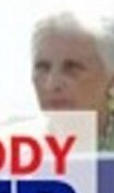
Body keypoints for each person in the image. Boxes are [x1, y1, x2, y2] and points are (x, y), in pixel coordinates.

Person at [30, 10, 114, 150]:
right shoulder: (17, 153)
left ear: (111, 79)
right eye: (42, 68)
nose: (52, 84)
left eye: (72, 68)